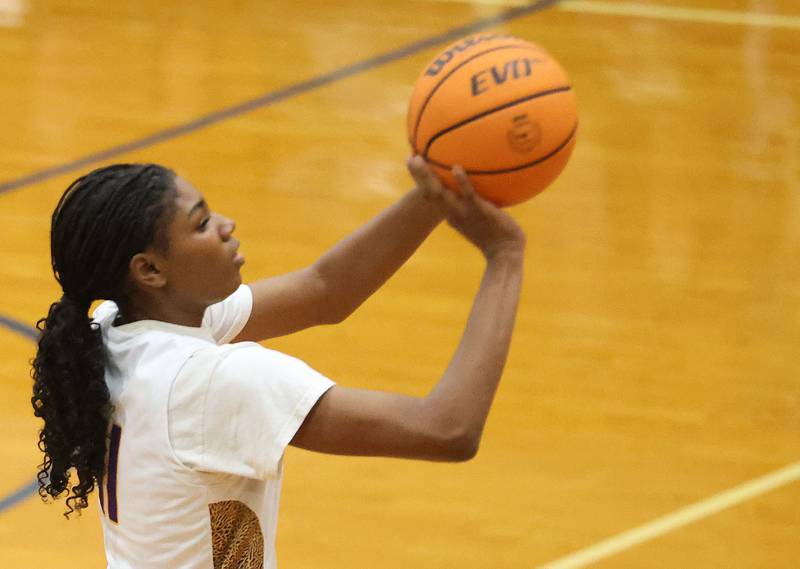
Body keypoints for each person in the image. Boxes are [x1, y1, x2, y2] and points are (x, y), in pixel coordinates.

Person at [31, 156, 525, 568]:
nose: (227, 226)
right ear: (150, 270)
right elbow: (447, 430)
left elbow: (324, 292)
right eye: (202, 224)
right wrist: (505, 256)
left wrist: (436, 192)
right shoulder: (207, 385)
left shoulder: (120, 328)